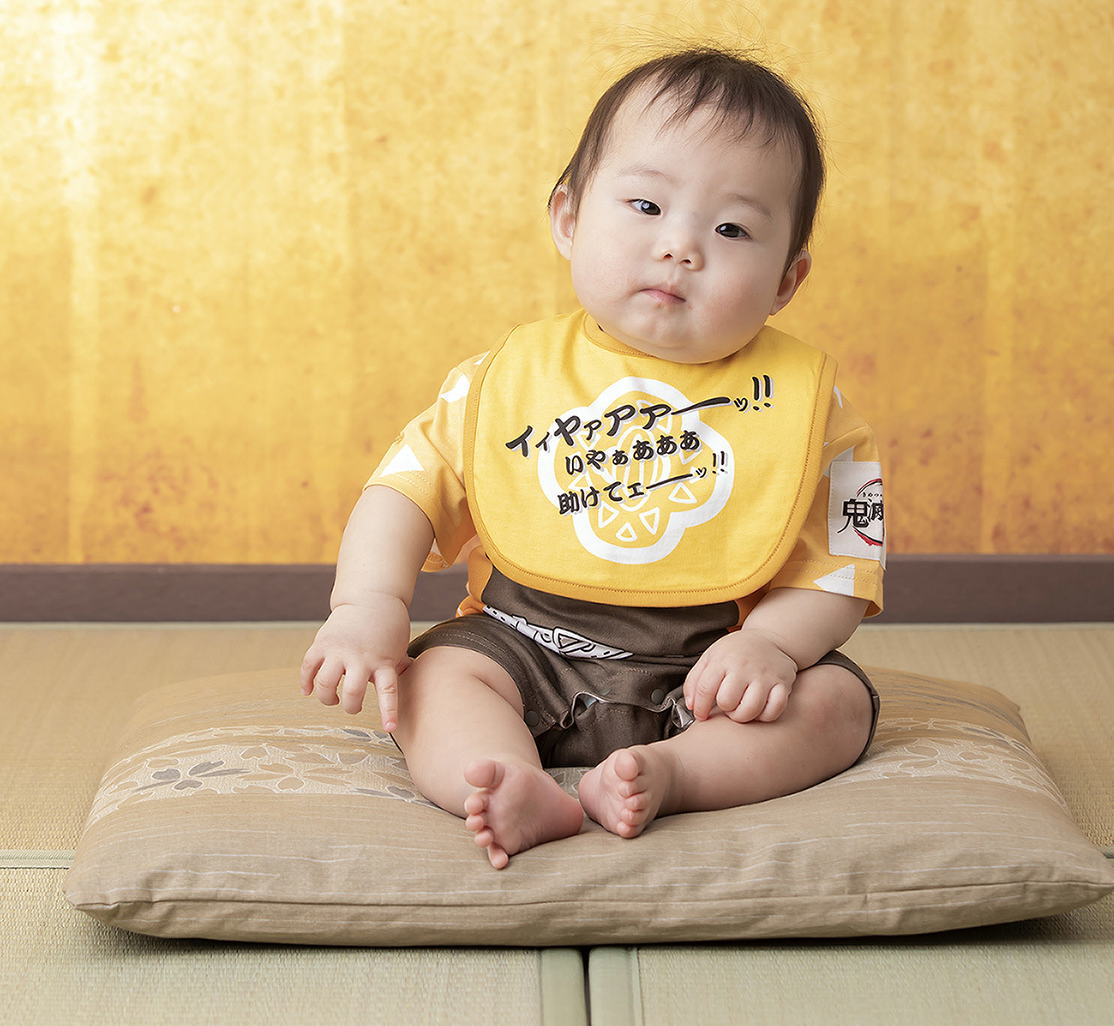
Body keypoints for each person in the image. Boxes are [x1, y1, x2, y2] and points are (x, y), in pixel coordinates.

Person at [301, 47, 886, 869]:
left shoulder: (815, 411)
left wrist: (776, 647)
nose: (680, 246)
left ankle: (674, 774)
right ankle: (506, 778)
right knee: (432, 678)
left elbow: (847, 565)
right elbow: (403, 491)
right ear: (569, 219)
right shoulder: (502, 381)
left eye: (731, 229)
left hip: (710, 671)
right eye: (646, 205)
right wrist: (368, 605)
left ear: (787, 280)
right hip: (521, 646)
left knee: (836, 702)